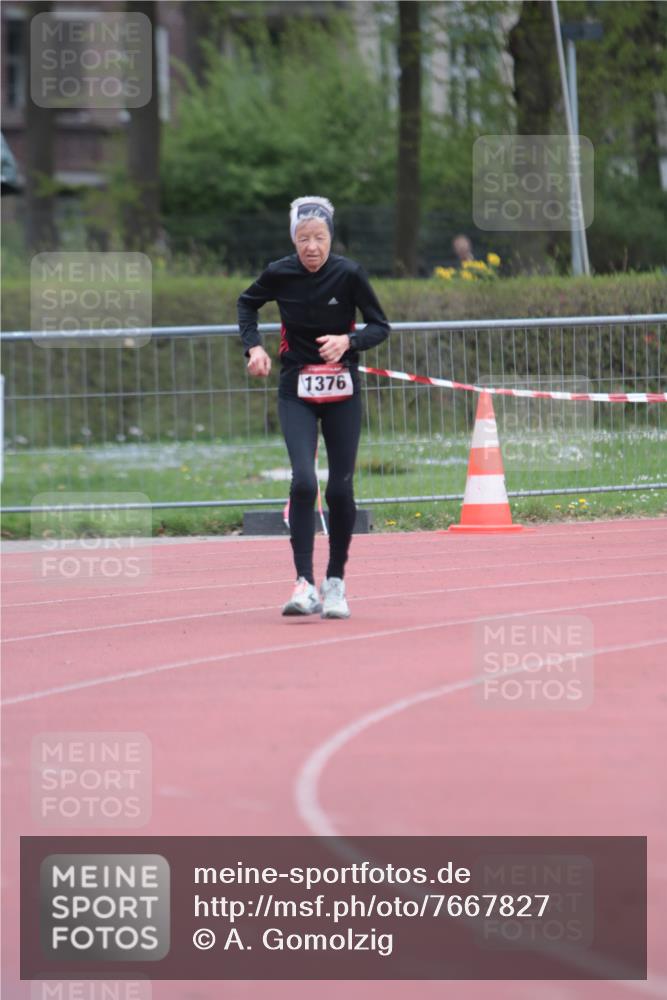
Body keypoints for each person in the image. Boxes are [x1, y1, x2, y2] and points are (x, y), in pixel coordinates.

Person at [237, 196, 390, 619]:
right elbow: (246, 303)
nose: (312, 246)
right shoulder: (279, 272)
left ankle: (334, 581)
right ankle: (304, 583)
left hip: (343, 391)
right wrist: (253, 348)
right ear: (294, 240)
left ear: (330, 238)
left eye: (319, 237)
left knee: (340, 489)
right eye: (303, 238)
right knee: (304, 482)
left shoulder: (349, 274)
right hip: (296, 390)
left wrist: (348, 341)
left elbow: (380, 326)